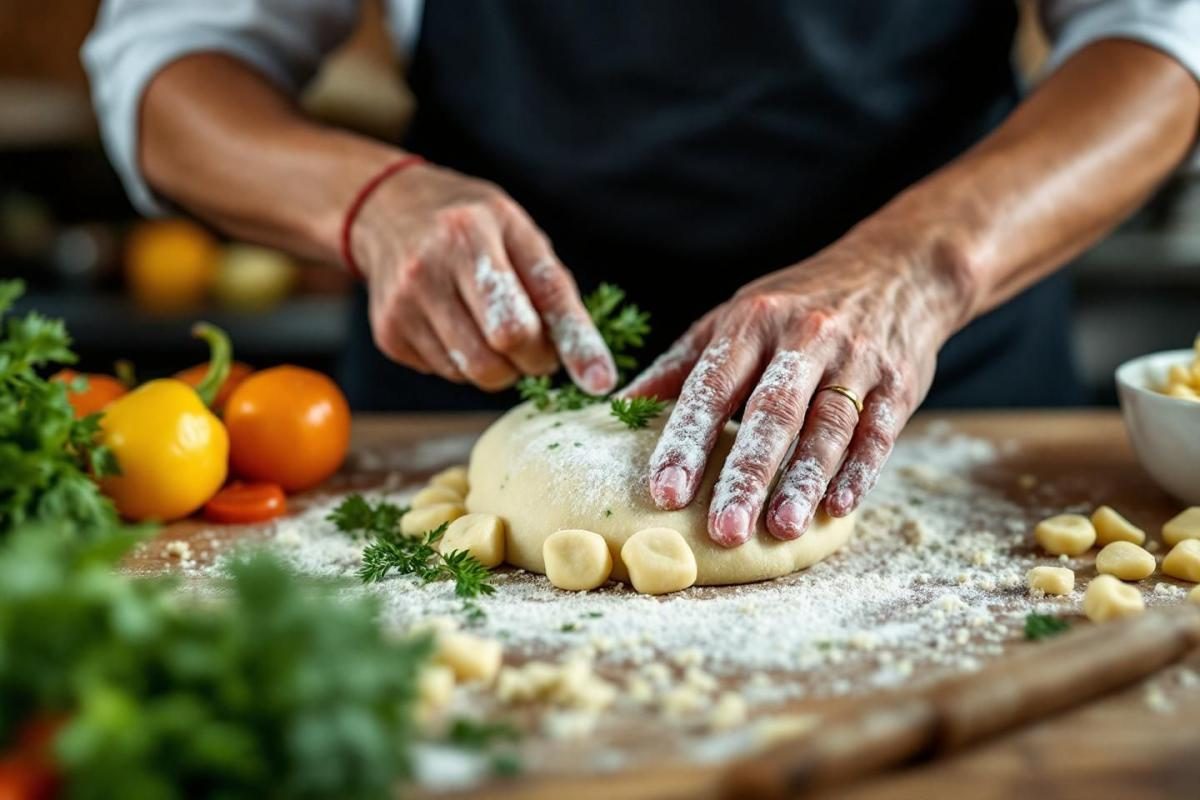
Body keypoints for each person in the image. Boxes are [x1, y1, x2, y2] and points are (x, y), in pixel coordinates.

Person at [84, 1, 1200, 548]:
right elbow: (173, 56)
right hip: (473, 379)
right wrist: (369, 203)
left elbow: (1161, 35)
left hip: (937, 399)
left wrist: (922, 269)